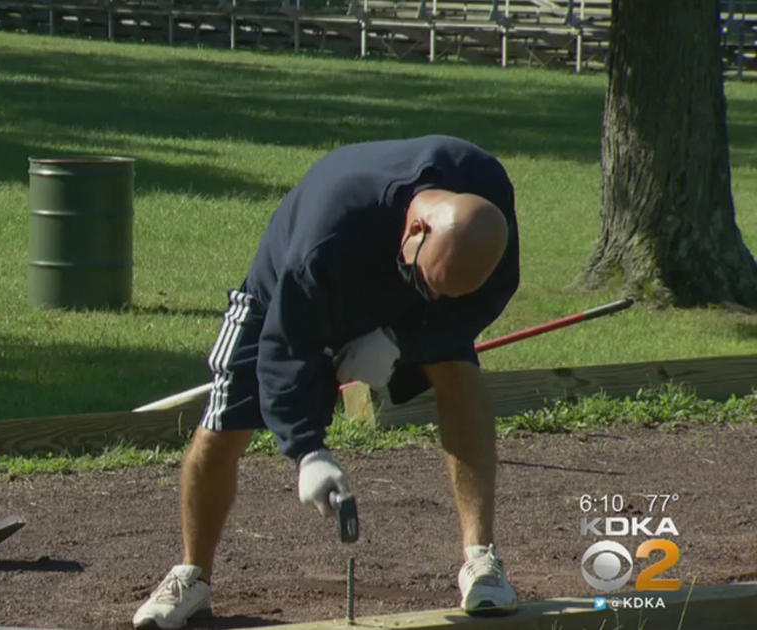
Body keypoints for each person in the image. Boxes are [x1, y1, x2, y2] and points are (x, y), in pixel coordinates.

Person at [133, 135, 521, 629]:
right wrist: (307, 451)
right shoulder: (325, 234)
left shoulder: (486, 198)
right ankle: (190, 575)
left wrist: (404, 339)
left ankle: (481, 560)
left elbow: (482, 300)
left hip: (407, 307)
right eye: (427, 284)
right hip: (291, 294)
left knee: (458, 373)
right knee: (225, 421)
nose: (436, 298)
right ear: (415, 229)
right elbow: (285, 351)